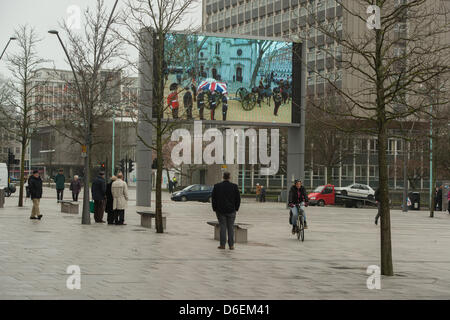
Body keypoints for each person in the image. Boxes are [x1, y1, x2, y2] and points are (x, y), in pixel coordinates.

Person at [211, 172, 241, 250]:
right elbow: (238, 199)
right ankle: (231, 245)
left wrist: (214, 208)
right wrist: (236, 208)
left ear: (223, 177)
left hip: (220, 210)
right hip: (231, 210)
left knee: (223, 227)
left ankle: (222, 245)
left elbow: (213, 199)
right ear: (229, 177)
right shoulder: (234, 186)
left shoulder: (217, 186)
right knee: (231, 228)